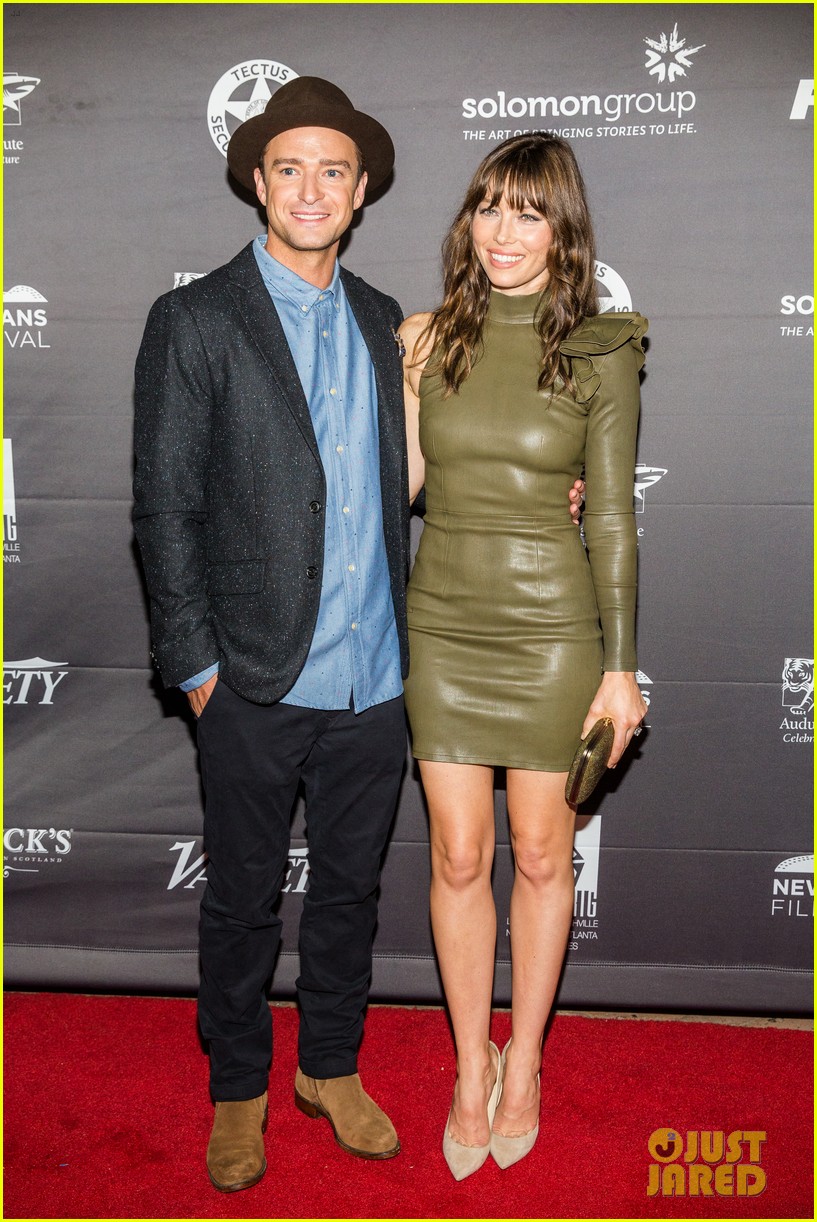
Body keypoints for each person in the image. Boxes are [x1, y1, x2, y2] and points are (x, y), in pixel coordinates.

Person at [133, 80, 584, 1192]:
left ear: (364, 189)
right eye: (289, 167)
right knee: (243, 896)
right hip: (248, 675)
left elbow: (445, 469)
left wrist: (547, 493)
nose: (311, 189)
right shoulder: (194, 320)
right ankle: (241, 1084)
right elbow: (162, 508)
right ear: (256, 181)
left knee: (347, 892)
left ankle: (329, 1066)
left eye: (333, 170)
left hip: (381, 678)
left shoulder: (399, 326)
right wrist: (196, 671)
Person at [400, 133, 648, 1180]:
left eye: (528, 212)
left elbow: (617, 518)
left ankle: (528, 1060)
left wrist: (620, 667)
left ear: (563, 228)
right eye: (488, 208)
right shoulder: (420, 340)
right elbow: (398, 491)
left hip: (553, 632)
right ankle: (468, 1066)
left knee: (543, 857)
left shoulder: (599, 348)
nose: (503, 232)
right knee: (458, 857)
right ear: (467, 221)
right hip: (443, 624)